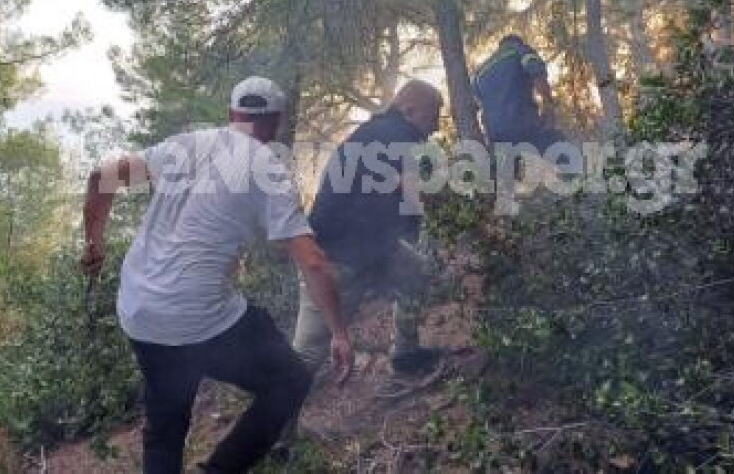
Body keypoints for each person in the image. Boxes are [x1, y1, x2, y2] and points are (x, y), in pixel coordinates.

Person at [80, 76, 353, 474]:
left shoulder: (183, 144)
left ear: (231, 114)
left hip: (139, 309)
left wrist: (94, 245)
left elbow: (99, 176)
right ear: (275, 122)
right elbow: (311, 261)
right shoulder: (267, 168)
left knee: (164, 429)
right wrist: (340, 331)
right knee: (289, 381)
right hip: (201, 317)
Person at [292, 80, 444, 381]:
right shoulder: (399, 135)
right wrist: (451, 205)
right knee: (308, 353)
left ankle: (406, 355)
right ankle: (270, 419)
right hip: (334, 258)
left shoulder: (377, 133)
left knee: (415, 277)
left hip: (374, 247)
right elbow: (415, 193)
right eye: (433, 114)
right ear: (409, 109)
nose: (437, 125)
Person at [473, 34, 563, 152]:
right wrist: (548, 105)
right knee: (559, 149)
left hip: (496, 137)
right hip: (524, 125)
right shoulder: (520, 50)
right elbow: (537, 72)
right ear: (517, 42)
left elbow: (474, 103)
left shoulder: (480, 71)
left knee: (508, 168)